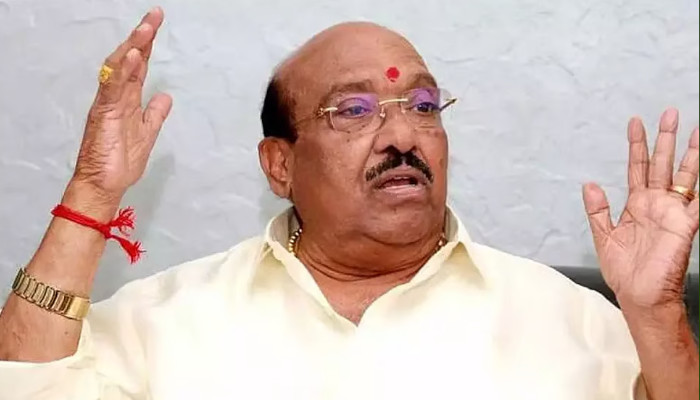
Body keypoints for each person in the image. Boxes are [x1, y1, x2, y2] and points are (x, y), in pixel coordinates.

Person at [0, 6, 698, 400]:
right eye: (354, 111)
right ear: (280, 164)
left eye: (422, 105)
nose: (403, 135)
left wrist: (657, 314)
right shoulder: (164, 320)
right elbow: (26, 383)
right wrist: (93, 189)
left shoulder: (576, 320)